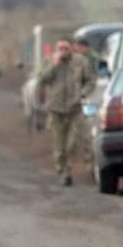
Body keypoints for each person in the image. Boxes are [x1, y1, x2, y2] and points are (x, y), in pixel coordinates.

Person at [38, 37, 95, 187]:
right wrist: (54, 65)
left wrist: (83, 93)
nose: (63, 51)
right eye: (60, 48)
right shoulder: (50, 61)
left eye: (66, 48)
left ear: (72, 48)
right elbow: (42, 80)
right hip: (56, 109)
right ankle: (60, 167)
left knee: (72, 144)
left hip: (74, 108)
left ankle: (67, 172)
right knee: (59, 145)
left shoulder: (80, 62)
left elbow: (90, 81)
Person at [73, 36, 98, 170]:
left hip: (91, 96)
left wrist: (83, 92)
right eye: (77, 46)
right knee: (80, 132)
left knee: (88, 130)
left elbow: (95, 79)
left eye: (81, 46)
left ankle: (90, 162)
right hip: (79, 98)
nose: (79, 49)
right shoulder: (75, 60)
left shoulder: (93, 59)